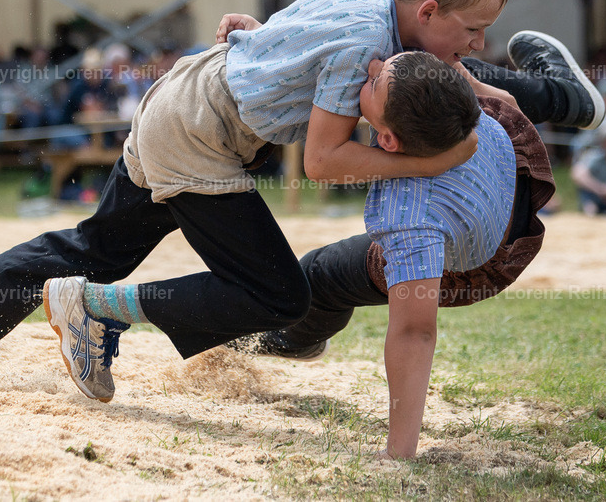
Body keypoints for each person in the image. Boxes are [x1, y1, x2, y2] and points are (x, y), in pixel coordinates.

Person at [0, 0, 597, 398]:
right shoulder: (369, 44)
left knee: (95, 247)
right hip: (200, 133)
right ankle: (93, 310)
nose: (472, 44)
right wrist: (424, 162)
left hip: (186, 95)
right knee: (280, 294)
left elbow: (287, 36)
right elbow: (319, 160)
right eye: (470, 30)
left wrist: (257, 38)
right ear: (429, 11)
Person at [226, 57, 555, 460]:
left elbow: (415, 332)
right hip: (507, 186)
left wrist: (399, 453)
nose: (371, 66)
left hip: (475, 261)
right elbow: (496, 92)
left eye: (377, 80)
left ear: (388, 142)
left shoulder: (411, 215)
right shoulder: (465, 102)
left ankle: (291, 341)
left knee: (318, 274)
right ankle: (567, 95)